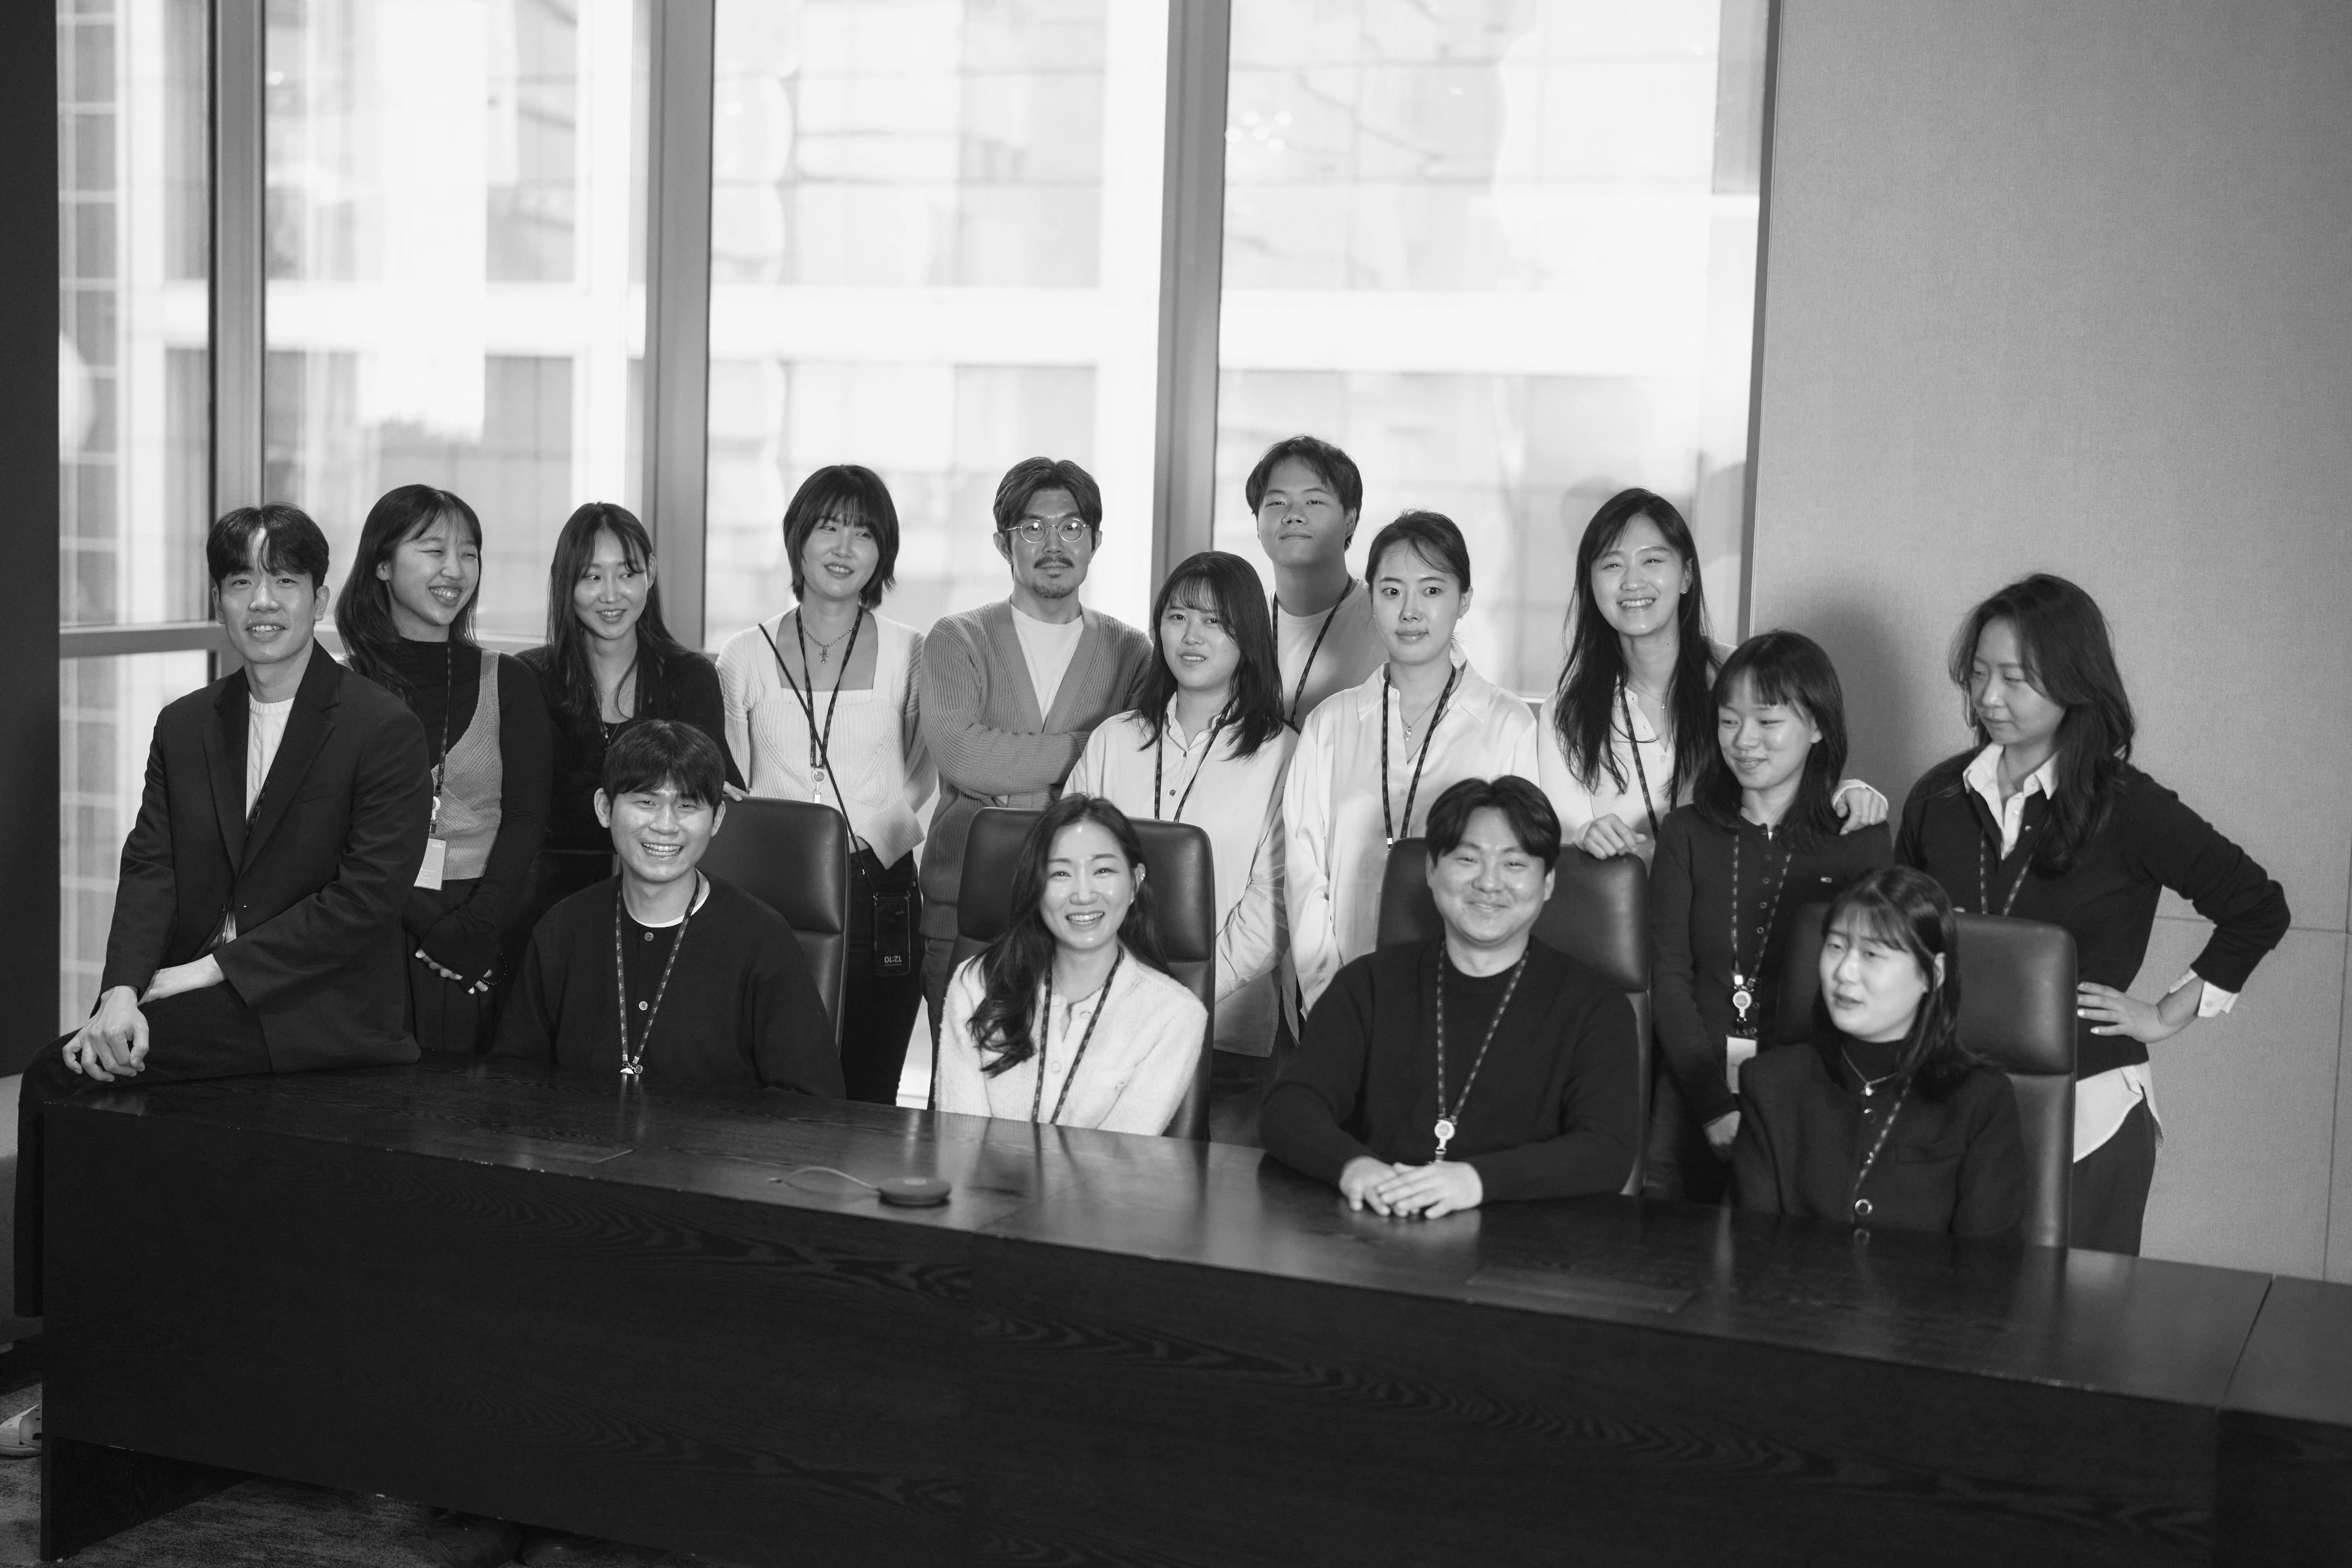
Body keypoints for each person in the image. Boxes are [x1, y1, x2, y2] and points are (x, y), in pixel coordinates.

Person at [1, 505, 431, 1457]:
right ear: (219, 599)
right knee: (71, 1072)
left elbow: (366, 902)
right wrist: (120, 991)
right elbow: (151, 864)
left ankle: (68, 1374)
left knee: (58, 1076)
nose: (262, 601)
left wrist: (202, 972)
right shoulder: (187, 721)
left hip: (318, 1011)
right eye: (241, 581)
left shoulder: (381, 726)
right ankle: (78, 1363)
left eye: (284, 580)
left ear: (320, 595)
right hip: (195, 997)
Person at [1897, 574, 2288, 1255]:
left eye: (2015, 679)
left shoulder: (2128, 806)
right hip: (1949, 1107)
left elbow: (2257, 907)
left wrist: (2163, 1015)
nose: (1988, 697)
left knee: (2077, 1316)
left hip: (2089, 1117)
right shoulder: (1937, 796)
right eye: (1979, 673)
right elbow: (1896, 936)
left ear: (2073, 681)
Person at [1262, 776, 1639, 1214]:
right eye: (1467, 859)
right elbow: (1288, 1108)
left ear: (1548, 882)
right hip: (1380, 1224)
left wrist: (1477, 1181)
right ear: (1431, 870)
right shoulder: (1367, 985)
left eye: (1514, 864)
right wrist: (1354, 1166)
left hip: (1529, 1243)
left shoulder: (1596, 1007)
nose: (1489, 882)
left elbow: (1606, 1150)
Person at [918, 456, 1154, 1075]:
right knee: (964, 1091)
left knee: (1068, 1093)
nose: (1054, 544)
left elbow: (1130, 774)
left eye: (1072, 527)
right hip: (966, 908)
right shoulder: (957, 639)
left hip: (1083, 912)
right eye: (1032, 528)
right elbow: (962, 755)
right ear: (1004, 543)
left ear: (1095, 540)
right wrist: (1091, 746)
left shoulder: (1131, 651)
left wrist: (1008, 769)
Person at [1647, 632, 1893, 1202]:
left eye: (1767, 721)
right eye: (1729, 721)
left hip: (1809, 1102)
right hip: (1691, 1091)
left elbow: (1868, 987)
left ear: (1817, 726)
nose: (1744, 740)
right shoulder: (1685, 832)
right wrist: (1713, 1106)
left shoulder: (1858, 840)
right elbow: (1669, 976)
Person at [718, 466, 933, 1105]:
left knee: (870, 1090)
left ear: (882, 551)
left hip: (879, 887)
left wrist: (873, 845)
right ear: (798, 538)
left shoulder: (913, 651)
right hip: (769, 897)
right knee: (772, 1087)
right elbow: (732, 784)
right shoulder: (744, 654)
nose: (844, 548)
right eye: (829, 527)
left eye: (863, 533)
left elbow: (924, 771)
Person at [1069, 551, 1294, 1139]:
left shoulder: (1283, 752)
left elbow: (1273, 906)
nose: (1192, 636)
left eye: (1214, 621)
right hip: (1099, 1020)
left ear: (1249, 635)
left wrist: (1178, 996)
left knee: (1212, 1191)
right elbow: (1064, 871)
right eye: (1177, 616)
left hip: (1226, 1035)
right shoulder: (1114, 740)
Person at [496, 721, 844, 1097]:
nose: (665, 825)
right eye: (646, 802)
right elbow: (514, 1082)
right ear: (605, 808)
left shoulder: (762, 939)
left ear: (717, 819)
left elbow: (811, 1102)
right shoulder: (561, 929)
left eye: (687, 805)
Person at [1284, 509, 1538, 1016]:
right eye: (1392, 591)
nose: (1410, 611)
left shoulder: (1507, 724)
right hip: (1342, 997)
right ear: (1372, 601)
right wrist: (1332, 1000)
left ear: (1464, 600)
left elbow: (1520, 870)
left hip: (1465, 1003)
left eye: (1432, 590)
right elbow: (1304, 873)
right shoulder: (1330, 723)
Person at [1539, 487, 1883, 862]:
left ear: (1687, 575)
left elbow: (1792, 773)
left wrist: (1843, 793)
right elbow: (1563, 845)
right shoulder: (1566, 710)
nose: (1632, 582)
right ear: (1590, 584)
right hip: (1623, 898)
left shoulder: (1739, 677)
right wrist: (1584, 836)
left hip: (1735, 893)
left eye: (1652, 560)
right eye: (1612, 565)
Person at [335, 484, 550, 1054]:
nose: (454, 569)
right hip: (370, 916)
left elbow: (527, 818)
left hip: (484, 918)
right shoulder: (338, 686)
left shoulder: (509, 680)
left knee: (475, 1094)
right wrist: (430, 925)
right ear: (382, 564)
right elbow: (330, 829)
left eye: (469, 553)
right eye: (433, 550)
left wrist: (476, 926)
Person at [1732, 867, 2027, 1237]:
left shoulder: (1980, 1099)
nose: (1845, 972)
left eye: (1872, 953)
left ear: (1932, 974)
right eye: (1836, 947)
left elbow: (1986, 1263)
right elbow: (1752, 1251)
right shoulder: (1771, 1083)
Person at [517, 501, 727, 962]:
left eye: (627, 573)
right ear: (564, 581)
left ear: (650, 573)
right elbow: (529, 807)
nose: (611, 595)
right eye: (591, 576)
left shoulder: (691, 678)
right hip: (547, 910)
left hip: (664, 909)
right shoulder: (528, 679)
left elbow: (704, 799)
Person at [934, 795, 1208, 1134]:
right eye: (1061, 873)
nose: (1083, 894)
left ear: (1136, 882)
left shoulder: (1174, 1015)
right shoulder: (977, 984)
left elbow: (1121, 1160)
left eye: (1103, 870)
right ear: (1035, 887)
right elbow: (960, 1145)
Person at [1250, 435, 1384, 730]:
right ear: (1257, 524)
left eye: (1313, 501)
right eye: (1276, 502)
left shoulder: (1388, 620)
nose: (1293, 516)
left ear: (1350, 520)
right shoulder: (1236, 623)